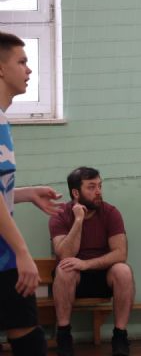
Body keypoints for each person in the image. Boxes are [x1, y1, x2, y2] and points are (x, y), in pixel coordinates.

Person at [0, 31, 63, 356]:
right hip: (6, 254)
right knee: (29, 340)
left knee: (27, 334)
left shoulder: (3, 120)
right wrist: (23, 252)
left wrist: (24, 194)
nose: (29, 69)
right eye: (22, 61)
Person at [49, 167, 135, 356]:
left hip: (103, 276)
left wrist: (86, 264)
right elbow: (65, 254)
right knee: (64, 269)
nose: (98, 191)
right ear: (75, 193)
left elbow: (120, 253)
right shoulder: (60, 215)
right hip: (74, 278)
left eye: (100, 186)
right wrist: (78, 220)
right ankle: (64, 336)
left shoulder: (111, 212)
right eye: (91, 187)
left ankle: (120, 336)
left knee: (123, 270)